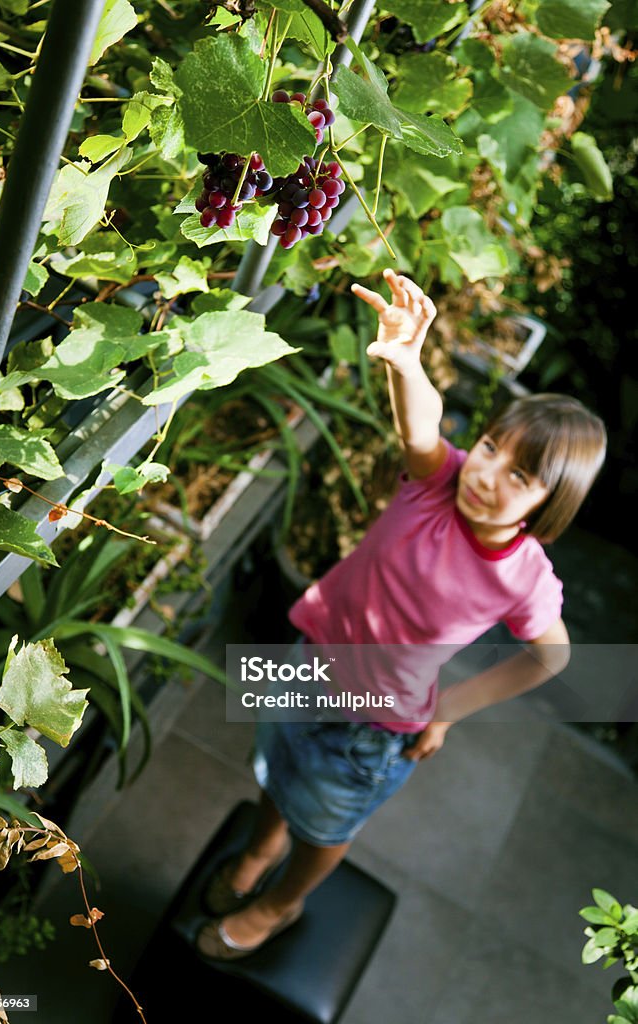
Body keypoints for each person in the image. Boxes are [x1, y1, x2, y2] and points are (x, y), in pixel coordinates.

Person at [196, 269, 607, 960]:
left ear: (547, 504)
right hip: (307, 657)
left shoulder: (523, 576)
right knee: (277, 765)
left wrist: (449, 708)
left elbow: (552, 655)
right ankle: (260, 844)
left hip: (373, 723)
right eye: (489, 448)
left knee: (324, 826)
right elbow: (419, 420)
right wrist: (405, 360)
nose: (485, 475)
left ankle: (280, 901)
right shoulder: (434, 483)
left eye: (519, 476)